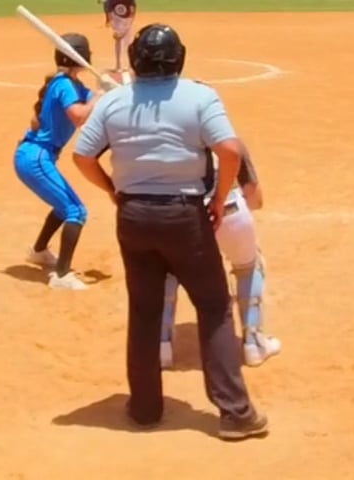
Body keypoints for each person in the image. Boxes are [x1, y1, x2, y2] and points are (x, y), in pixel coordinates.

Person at [71, 24, 268, 441]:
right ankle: (235, 413)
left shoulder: (115, 101)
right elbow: (230, 150)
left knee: (144, 310)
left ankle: (144, 410)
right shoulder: (198, 96)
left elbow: (82, 156)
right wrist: (218, 198)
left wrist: (113, 190)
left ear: (136, 60)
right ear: (179, 58)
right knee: (213, 306)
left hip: (134, 215)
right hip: (184, 214)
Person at [159, 143, 281, 370]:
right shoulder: (229, 140)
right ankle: (254, 344)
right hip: (229, 211)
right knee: (249, 266)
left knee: (167, 270)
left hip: (180, 215)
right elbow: (255, 199)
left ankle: (161, 346)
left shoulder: (166, 142)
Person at [16, 32, 103, 291]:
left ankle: (39, 251)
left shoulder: (70, 84)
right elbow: (79, 115)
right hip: (36, 158)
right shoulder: (64, 84)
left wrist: (110, 88)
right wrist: (99, 96)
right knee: (76, 211)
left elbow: (94, 102)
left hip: (34, 156)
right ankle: (62, 275)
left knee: (63, 205)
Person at [102, 0, 137, 70]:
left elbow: (132, 12)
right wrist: (113, 26)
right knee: (118, 41)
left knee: (128, 43)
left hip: (126, 20)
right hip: (117, 20)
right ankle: (118, 64)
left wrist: (127, 26)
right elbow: (110, 12)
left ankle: (130, 64)